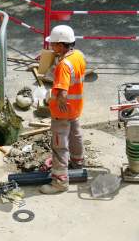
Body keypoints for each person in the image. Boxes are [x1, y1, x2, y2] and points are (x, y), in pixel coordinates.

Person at [39, 25, 86, 194]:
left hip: (63, 112)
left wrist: (51, 99)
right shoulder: (78, 55)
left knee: (59, 145)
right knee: (76, 135)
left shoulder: (64, 66)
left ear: (60, 44)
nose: (51, 47)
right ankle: (78, 162)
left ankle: (60, 182)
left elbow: (63, 92)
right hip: (75, 108)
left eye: (53, 44)